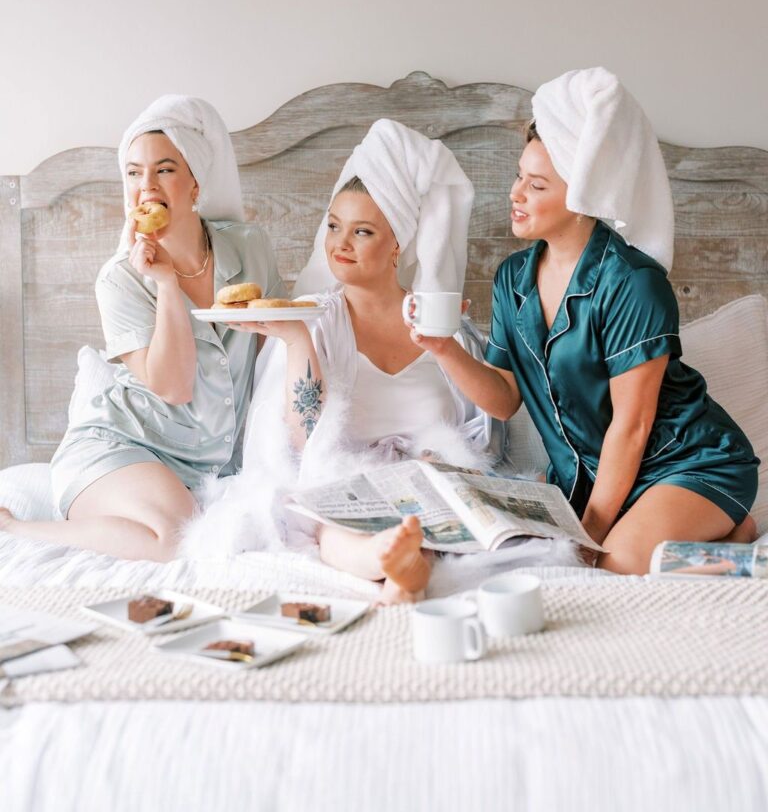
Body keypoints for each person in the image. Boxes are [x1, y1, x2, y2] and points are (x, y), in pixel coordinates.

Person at [409, 68, 759, 575]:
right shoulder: (513, 280)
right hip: (591, 480)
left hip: (685, 464)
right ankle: (723, 535)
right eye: (518, 176)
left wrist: (591, 534)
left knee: (612, 569)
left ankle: (735, 538)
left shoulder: (633, 283)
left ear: (582, 197)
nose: (515, 194)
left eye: (536, 185)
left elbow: (632, 428)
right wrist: (442, 348)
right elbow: (505, 400)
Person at [230, 118, 503, 602]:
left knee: (436, 508)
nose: (339, 244)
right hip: (347, 493)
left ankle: (408, 563)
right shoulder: (316, 323)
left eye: (362, 232)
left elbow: (486, 429)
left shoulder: (441, 328)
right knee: (323, 525)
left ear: (397, 244)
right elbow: (301, 442)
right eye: (333, 226)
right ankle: (385, 559)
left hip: (429, 487)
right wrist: (296, 339)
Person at [0, 96, 284, 560]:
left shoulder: (251, 248)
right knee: (177, 538)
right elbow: (172, 386)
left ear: (195, 183)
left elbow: (273, 357)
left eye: (164, 170)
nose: (146, 186)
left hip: (212, 464)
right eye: (133, 173)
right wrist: (167, 284)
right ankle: (15, 528)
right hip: (121, 446)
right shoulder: (119, 279)